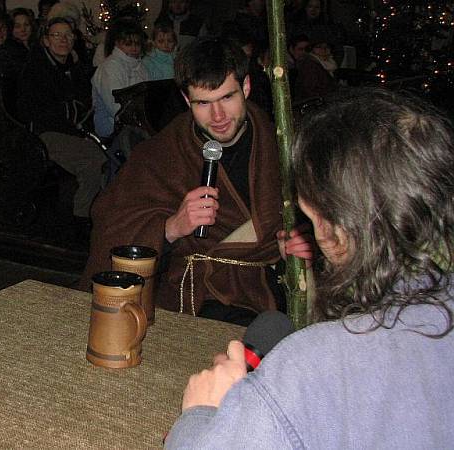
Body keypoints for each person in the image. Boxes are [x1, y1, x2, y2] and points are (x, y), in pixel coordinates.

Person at [165, 87, 454, 449]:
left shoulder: (317, 364)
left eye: (313, 218)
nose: (218, 114)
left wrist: (201, 413)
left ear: (339, 228)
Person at [81, 37, 293, 324]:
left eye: (227, 98)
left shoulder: (280, 145)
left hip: (273, 287)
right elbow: (111, 222)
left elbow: (315, 219)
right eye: (203, 103)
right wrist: (170, 228)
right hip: (198, 295)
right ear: (186, 100)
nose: (218, 116)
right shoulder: (162, 153)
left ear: (246, 88)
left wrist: (295, 246)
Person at [17, 17, 104, 225]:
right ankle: (81, 217)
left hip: (73, 130)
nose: (64, 40)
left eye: (68, 35)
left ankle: (98, 210)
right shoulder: (35, 70)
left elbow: (85, 102)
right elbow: (35, 111)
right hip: (45, 133)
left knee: (107, 152)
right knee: (93, 160)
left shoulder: (73, 68)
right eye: (57, 35)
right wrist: (72, 114)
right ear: (46, 40)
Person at [91, 18, 148, 139]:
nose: (133, 48)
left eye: (137, 44)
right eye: (128, 44)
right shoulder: (109, 68)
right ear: (117, 43)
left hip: (135, 123)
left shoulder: (140, 65)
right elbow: (116, 107)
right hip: (113, 129)